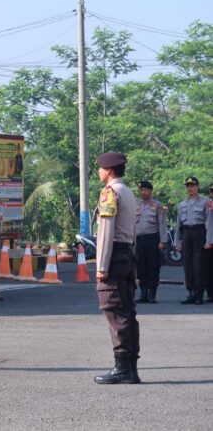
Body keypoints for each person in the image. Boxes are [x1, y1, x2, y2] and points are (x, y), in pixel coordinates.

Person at [93, 152, 140, 385]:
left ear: (109, 170)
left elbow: (106, 232)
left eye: (100, 168)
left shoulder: (110, 192)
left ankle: (122, 368)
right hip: (127, 255)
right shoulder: (129, 192)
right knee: (127, 311)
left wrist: (101, 266)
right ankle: (130, 367)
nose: (99, 172)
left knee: (115, 309)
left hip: (113, 255)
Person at [176, 176, 210, 305]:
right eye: (188, 186)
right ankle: (190, 292)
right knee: (187, 264)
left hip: (200, 232)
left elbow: (209, 222)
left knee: (199, 264)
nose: (190, 188)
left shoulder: (205, 202)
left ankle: (199, 293)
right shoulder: (182, 204)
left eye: (193, 185)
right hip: (186, 233)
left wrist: (209, 240)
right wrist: (177, 242)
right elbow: (178, 224)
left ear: (198, 187)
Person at [134, 180, 168, 304]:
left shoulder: (157, 205)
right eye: (141, 190)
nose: (144, 192)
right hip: (139, 241)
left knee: (153, 268)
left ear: (151, 191)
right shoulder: (136, 205)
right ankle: (143, 294)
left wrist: (163, 241)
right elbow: (132, 224)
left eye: (146, 190)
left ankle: (152, 295)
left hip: (153, 240)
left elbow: (162, 224)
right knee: (141, 268)